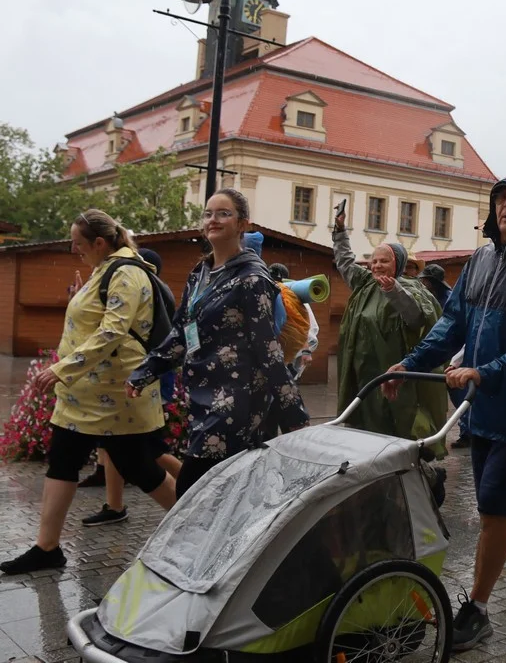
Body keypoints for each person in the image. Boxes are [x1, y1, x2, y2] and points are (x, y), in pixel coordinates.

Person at [383, 175, 506, 652]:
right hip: (482, 402)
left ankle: (480, 610)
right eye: (501, 199)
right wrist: (410, 364)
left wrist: (486, 370)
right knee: (502, 499)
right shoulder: (481, 259)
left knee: (493, 504)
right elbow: (453, 325)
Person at [2, 211, 177, 575]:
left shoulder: (126, 272)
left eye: (78, 243)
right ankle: (46, 547)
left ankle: (200, 528)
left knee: (140, 468)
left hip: (113, 396)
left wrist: (61, 369)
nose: (73, 249)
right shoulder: (107, 268)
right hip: (89, 395)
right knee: (64, 459)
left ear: (99, 242)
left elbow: (112, 331)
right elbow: (97, 318)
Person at [126, 189, 308, 498]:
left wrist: (294, 414)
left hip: (237, 401)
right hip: (202, 394)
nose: (214, 219)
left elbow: (268, 349)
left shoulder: (252, 279)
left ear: (242, 224)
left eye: (224, 213)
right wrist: (147, 370)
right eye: (209, 213)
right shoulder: (201, 273)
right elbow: (183, 330)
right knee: (225, 495)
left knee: (192, 490)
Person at [80, 247, 184, 527]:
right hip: (139, 378)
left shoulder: (147, 292)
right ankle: (115, 505)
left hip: (145, 379)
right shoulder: (152, 291)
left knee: (152, 449)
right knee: (118, 442)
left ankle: (196, 490)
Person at [332, 209, 445, 454]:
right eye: (374, 260)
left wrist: (394, 292)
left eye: (384, 261)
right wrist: (340, 233)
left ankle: (406, 469)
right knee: (364, 419)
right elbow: (344, 262)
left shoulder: (413, 289)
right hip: (362, 370)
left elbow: (417, 319)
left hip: (395, 373)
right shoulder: (364, 284)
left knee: (397, 423)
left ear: (399, 264)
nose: (377, 265)